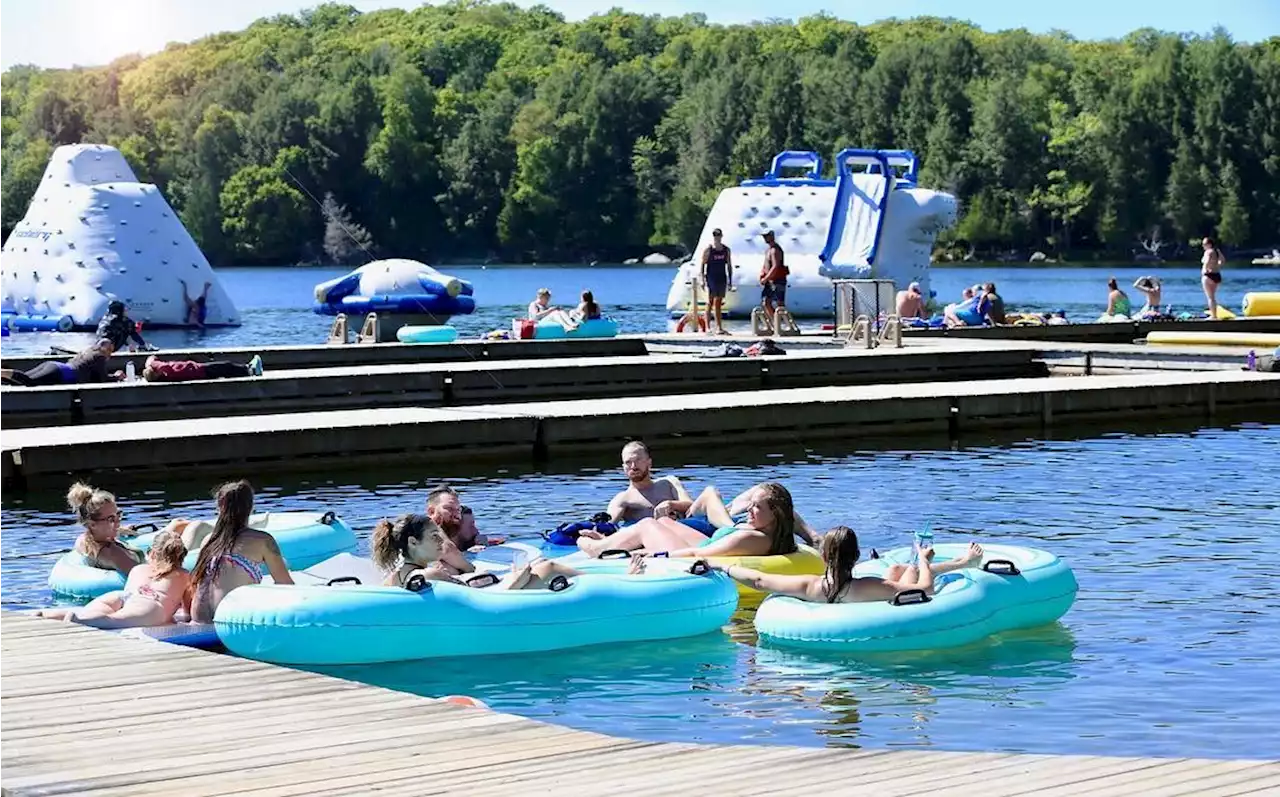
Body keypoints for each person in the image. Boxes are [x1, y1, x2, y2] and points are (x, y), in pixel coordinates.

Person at [710, 525, 984, 602]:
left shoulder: (810, 585)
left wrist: (723, 566)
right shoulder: (870, 587)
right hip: (873, 609)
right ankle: (964, 563)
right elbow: (926, 590)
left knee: (902, 570)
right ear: (856, 557)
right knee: (912, 570)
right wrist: (924, 559)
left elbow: (758, 580)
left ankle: (962, 562)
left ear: (824, 557)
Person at [578, 481, 801, 559]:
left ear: (776, 514)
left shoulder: (753, 538)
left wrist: (654, 555)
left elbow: (698, 554)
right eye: (751, 505)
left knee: (648, 524)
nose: (749, 510)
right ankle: (614, 540)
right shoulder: (766, 529)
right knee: (665, 523)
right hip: (707, 541)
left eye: (757, 507)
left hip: (698, 549)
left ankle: (597, 547)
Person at [372, 513, 594, 590]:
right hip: (496, 610)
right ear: (413, 542)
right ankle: (621, 582)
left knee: (539, 566)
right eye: (434, 537)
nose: (442, 541)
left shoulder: (394, 578)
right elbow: (480, 603)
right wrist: (515, 581)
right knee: (548, 566)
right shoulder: (430, 576)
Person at [37, 530, 192, 628]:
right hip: (151, 605)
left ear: (151, 553)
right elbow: (188, 613)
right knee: (114, 620)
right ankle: (77, 620)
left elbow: (129, 595)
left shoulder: (138, 569)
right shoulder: (184, 575)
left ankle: (47, 615)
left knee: (94, 611)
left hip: (124, 597)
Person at [190, 480, 294, 623]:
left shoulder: (208, 540)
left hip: (197, 621)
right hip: (227, 625)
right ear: (250, 507)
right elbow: (286, 586)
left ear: (220, 507)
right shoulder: (262, 540)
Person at [64, 481, 148, 575]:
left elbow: (102, 531)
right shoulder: (114, 554)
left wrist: (120, 530)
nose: (118, 522)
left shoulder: (84, 540)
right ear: (92, 524)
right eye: (111, 519)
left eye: (118, 515)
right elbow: (145, 577)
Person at [606, 441, 695, 523]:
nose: (633, 466)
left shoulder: (669, 482)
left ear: (649, 463)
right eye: (628, 462)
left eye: (638, 460)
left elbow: (692, 506)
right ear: (623, 467)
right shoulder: (623, 499)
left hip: (681, 530)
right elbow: (608, 523)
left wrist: (671, 504)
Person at [0, 339, 123, 387]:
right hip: (61, 373)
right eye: (110, 350)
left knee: (21, 380)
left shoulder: (87, 351)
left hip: (54, 365)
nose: (111, 353)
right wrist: (116, 378)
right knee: (29, 381)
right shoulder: (99, 356)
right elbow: (102, 379)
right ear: (106, 348)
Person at [424, 485, 480, 572]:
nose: (456, 515)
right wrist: (471, 569)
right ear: (431, 511)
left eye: (458, 510)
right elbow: (447, 549)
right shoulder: (424, 529)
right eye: (449, 508)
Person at [142, 354, 264, 382]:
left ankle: (248, 370)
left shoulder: (163, 376)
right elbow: (152, 358)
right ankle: (250, 370)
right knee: (225, 366)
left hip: (199, 371)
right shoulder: (164, 369)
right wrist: (151, 364)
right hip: (200, 371)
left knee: (225, 369)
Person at [701, 229, 733, 334]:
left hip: (721, 277)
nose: (717, 237)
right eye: (715, 235)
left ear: (721, 236)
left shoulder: (726, 250)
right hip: (711, 277)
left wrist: (730, 280)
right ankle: (708, 327)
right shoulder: (709, 249)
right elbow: (703, 264)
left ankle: (719, 327)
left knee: (718, 302)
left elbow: (729, 265)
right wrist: (703, 279)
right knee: (710, 301)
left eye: (718, 235)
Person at [758, 230, 788, 317]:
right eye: (764, 236)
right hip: (770, 281)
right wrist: (763, 274)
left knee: (780, 303)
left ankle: (782, 323)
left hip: (777, 280)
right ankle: (773, 322)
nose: (765, 238)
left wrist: (766, 278)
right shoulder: (768, 250)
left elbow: (775, 266)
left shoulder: (775, 250)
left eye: (767, 236)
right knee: (766, 302)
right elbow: (766, 265)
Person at [1201, 237, 1225, 319]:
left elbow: (1207, 261)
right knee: (1213, 297)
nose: (1203, 246)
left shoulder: (1208, 251)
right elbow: (1222, 260)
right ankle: (1214, 314)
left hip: (1209, 275)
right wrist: (1217, 266)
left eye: (1205, 244)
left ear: (1209, 244)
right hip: (1216, 275)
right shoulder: (1216, 251)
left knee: (1210, 297)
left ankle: (1213, 316)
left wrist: (1205, 269)